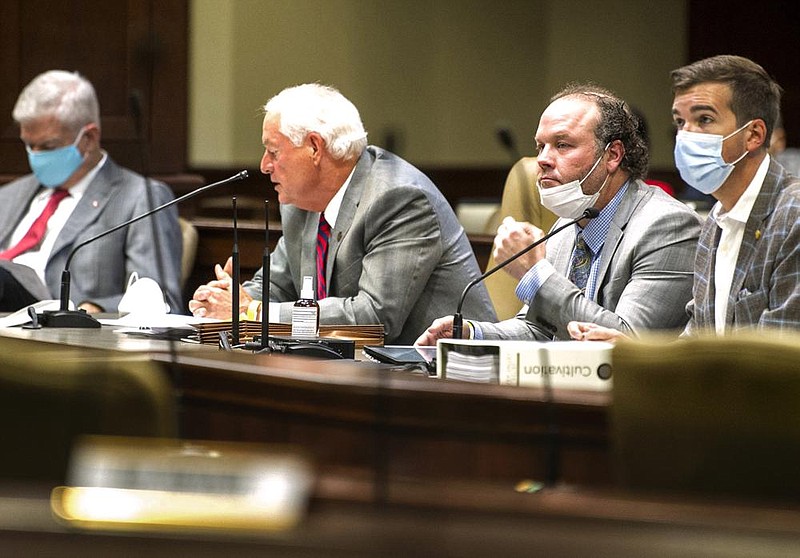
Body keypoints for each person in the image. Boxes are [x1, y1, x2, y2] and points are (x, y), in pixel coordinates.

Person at [189, 83, 496, 344]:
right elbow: (277, 287)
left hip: (443, 378)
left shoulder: (398, 198)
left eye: (273, 151)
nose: (264, 166)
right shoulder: (300, 204)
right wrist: (225, 298)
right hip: (358, 372)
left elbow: (374, 318)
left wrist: (250, 311)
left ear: (314, 147)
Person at [415, 83, 702, 345]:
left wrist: (537, 276)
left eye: (562, 145)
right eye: (540, 146)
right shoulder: (567, 223)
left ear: (613, 155)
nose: (542, 159)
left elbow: (624, 341)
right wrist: (470, 334)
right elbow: (540, 330)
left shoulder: (667, 225)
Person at [568, 55, 800, 340]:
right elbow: (698, 339)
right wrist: (636, 353)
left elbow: (780, 360)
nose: (686, 135)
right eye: (680, 121)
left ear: (753, 134)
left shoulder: (793, 216)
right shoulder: (716, 220)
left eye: (704, 119)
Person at [0, 70, 182, 313]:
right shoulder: (11, 194)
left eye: (48, 146)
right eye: (28, 145)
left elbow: (163, 300)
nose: (35, 155)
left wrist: (94, 307)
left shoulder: (141, 198)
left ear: (88, 138)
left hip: (62, 336)